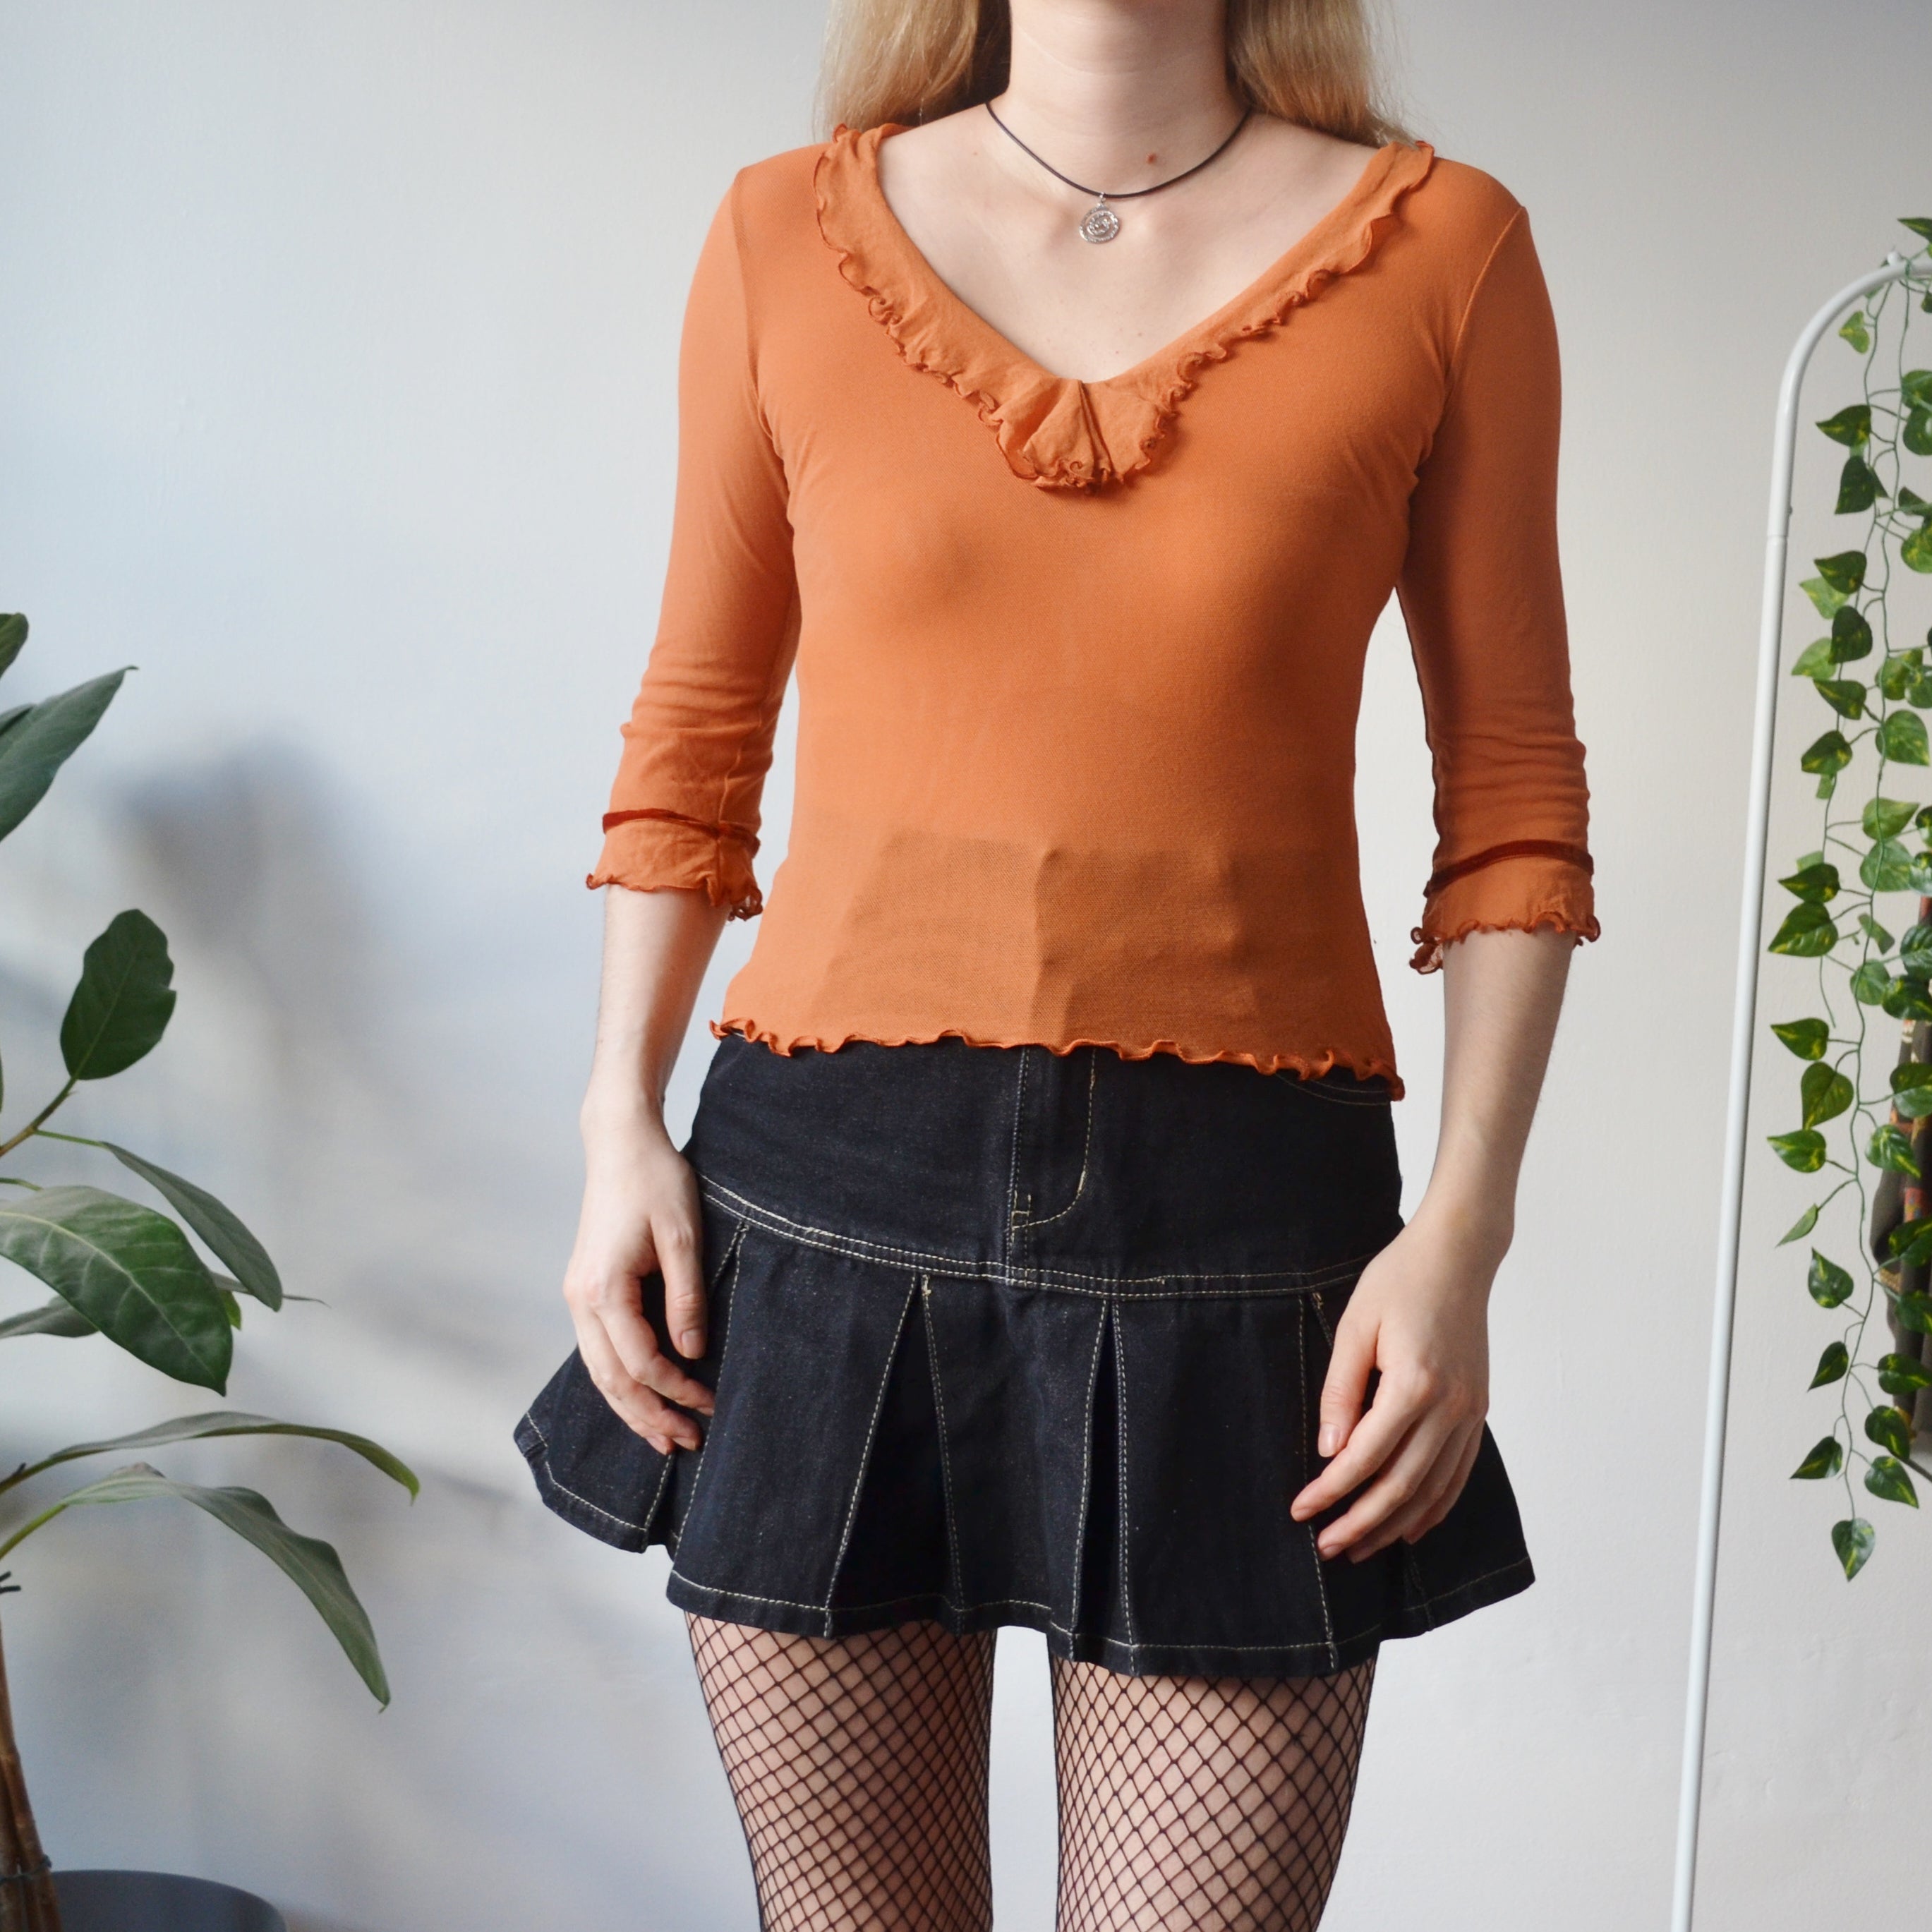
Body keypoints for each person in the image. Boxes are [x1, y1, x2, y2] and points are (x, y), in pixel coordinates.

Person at [517, 0, 1595, 1924]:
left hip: (1245, 1237)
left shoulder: (1445, 251)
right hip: (820, 1208)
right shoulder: (782, 232)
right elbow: (693, 738)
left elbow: (1510, 793)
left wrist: (1463, 1232)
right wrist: (618, 1121)